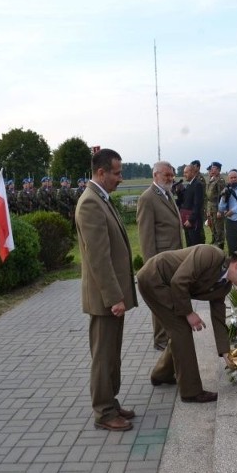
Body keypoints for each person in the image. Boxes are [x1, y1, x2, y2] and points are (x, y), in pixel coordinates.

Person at [137, 243, 237, 403]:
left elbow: (218, 319)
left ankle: (161, 374)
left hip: (169, 287)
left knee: (179, 332)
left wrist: (226, 353)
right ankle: (191, 392)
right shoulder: (209, 255)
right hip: (154, 279)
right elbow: (179, 281)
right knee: (181, 331)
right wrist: (189, 313)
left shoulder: (224, 285)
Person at [75, 148, 138, 432]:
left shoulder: (101, 199)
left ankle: (110, 402)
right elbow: (98, 258)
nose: (120, 178)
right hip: (104, 298)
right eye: (116, 173)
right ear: (101, 172)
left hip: (111, 296)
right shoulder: (90, 203)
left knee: (112, 354)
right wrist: (114, 297)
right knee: (103, 357)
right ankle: (103, 412)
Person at [136, 161, 184, 351]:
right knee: (160, 300)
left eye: (172, 175)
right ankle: (161, 340)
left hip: (174, 257)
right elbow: (146, 236)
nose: (171, 178)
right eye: (167, 175)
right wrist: (151, 267)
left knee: (171, 298)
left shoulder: (167, 193)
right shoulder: (147, 198)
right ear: (155, 175)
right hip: (160, 261)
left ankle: (169, 335)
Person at [180, 164, 205, 246]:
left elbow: (197, 204)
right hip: (187, 220)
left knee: (195, 245)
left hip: (193, 222)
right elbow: (186, 201)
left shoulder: (197, 184)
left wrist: (191, 220)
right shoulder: (190, 184)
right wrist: (179, 191)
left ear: (192, 172)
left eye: (186, 172)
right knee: (189, 245)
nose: (184, 175)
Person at [206, 161, 226, 249]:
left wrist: (220, 210)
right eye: (211, 168)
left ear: (218, 170)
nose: (212, 170)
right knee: (213, 227)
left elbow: (222, 196)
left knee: (219, 228)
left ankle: (220, 245)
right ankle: (216, 243)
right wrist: (208, 210)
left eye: (214, 168)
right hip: (211, 207)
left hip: (217, 207)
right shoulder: (212, 179)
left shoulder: (220, 180)